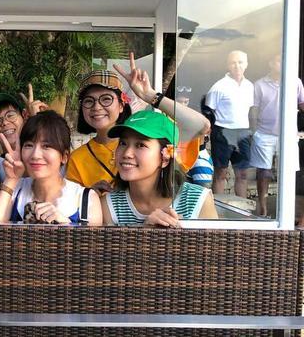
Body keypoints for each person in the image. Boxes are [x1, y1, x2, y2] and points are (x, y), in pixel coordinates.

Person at [66, 53, 211, 194]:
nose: (97, 107)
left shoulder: (153, 137)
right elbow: (72, 202)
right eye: (89, 101)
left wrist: (149, 95)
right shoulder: (77, 159)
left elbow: (201, 126)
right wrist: (89, 196)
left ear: (122, 105)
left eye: (106, 99)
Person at [0, 111, 102, 225]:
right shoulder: (15, 190)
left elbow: (93, 241)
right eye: (29, 145)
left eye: (46, 146)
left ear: (64, 156)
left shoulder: (86, 199)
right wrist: (11, 179)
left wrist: (65, 224)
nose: (35, 155)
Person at [102, 110, 218, 227]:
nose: (127, 153)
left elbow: (214, 241)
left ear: (165, 158)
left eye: (141, 145)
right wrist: (145, 231)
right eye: (122, 143)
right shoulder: (109, 205)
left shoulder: (198, 200)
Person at [249, 54, 304, 217]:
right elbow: (254, 109)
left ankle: (285, 210)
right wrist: (254, 131)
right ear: (271, 63)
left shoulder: (295, 82)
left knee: (288, 171)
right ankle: (263, 208)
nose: (282, 64)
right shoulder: (259, 84)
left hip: (288, 135)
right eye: (278, 61)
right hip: (264, 134)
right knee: (263, 171)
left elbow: (302, 104)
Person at [205, 50, 254, 197]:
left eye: (240, 62)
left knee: (242, 174)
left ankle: (242, 208)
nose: (237, 66)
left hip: (243, 133)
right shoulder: (219, 86)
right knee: (221, 173)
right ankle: (217, 209)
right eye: (233, 62)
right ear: (227, 65)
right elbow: (208, 111)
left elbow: (251, 110)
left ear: (246, 64)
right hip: (223, 132)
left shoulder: (249, 86)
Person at [0, 84, 48, 180]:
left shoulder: (47, 155)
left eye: (10, 115)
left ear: (24, 117)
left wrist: (37, 121)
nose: (4, 122)